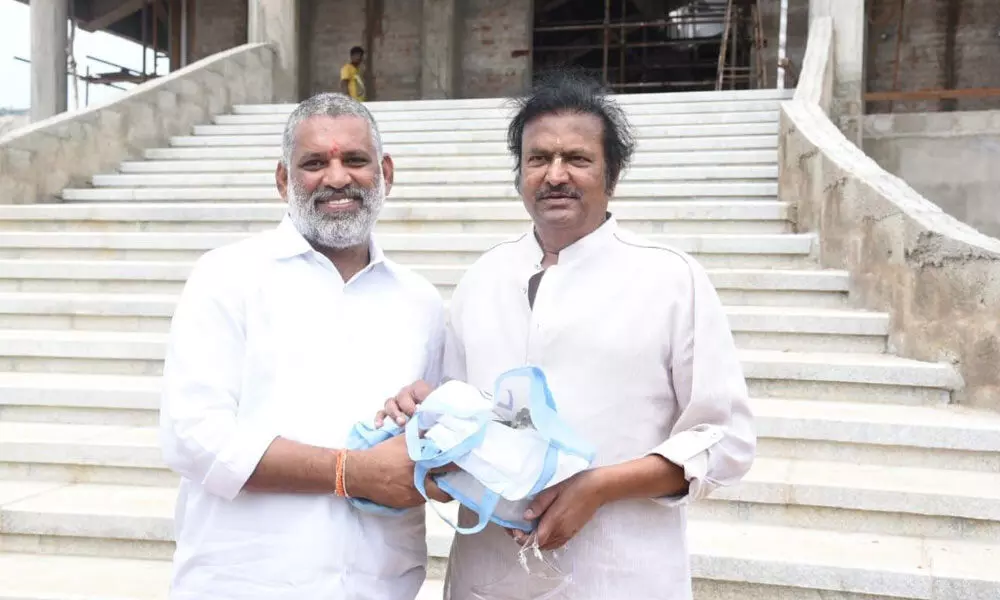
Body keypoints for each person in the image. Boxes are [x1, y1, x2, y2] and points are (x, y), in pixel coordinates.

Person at [378, 72, 756, 599]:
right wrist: (427, 414)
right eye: (538, 159)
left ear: (612, 175)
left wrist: (599, 487)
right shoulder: (484, 277)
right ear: (519, 175)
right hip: (491, 574)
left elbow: (726, 440)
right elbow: (460, 419)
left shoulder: (670, 280)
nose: (556, 174)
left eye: (577, 159)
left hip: (620, 575)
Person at [159, 92, 451, 600]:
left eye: (354, 160)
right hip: (244, 584)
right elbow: (195, 436)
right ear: (283, 180)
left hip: (379, 585)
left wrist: (438, 433)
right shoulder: (227, 277)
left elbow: (431, 445)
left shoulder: (420, 301)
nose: (337, 178)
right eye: (315, 163)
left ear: (385, 172)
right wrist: (349, 472)